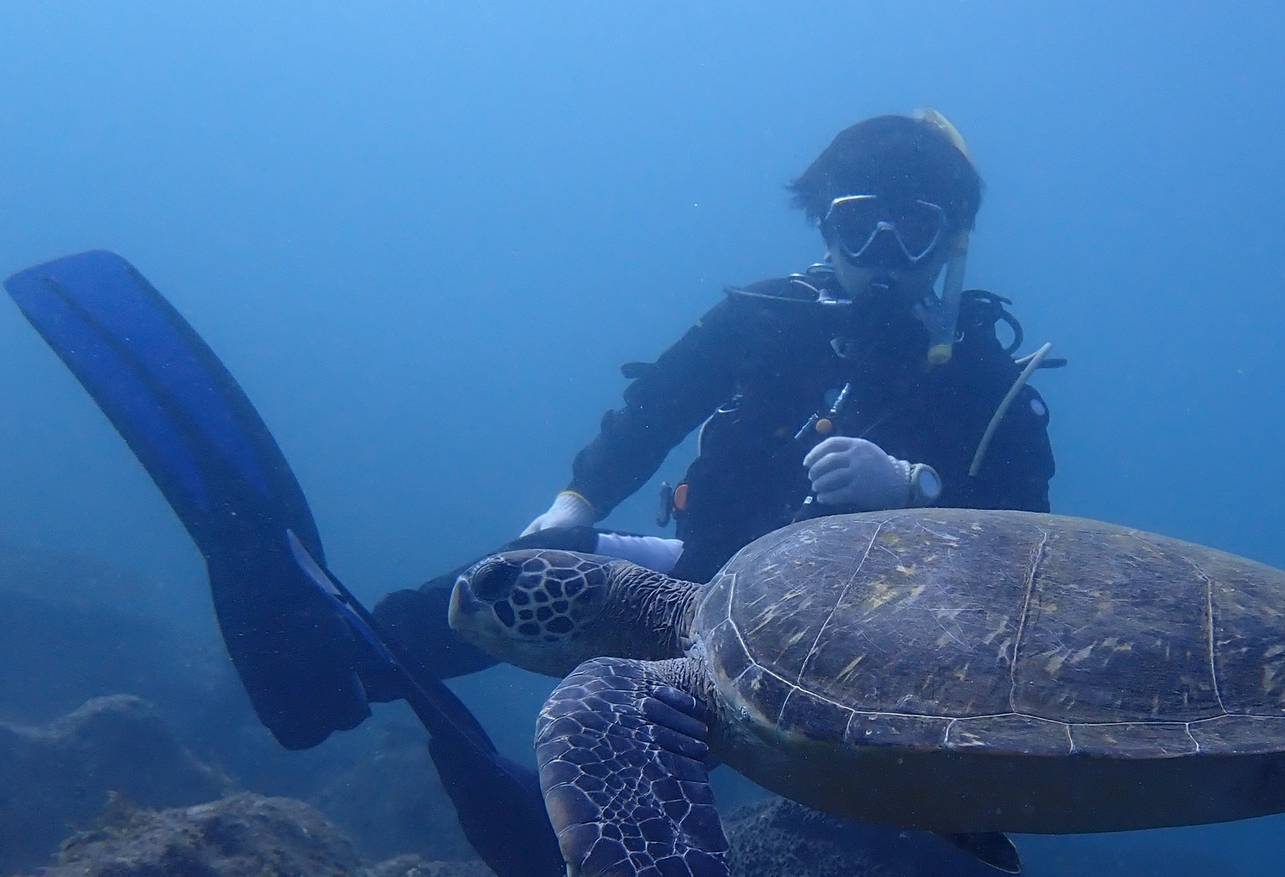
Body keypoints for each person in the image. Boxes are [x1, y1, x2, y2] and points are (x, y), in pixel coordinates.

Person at [372, 110, 1060, 676]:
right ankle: (360, 660)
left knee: (619, 714)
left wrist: (912, 491)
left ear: (948, 245)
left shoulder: (981, 379)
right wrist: (575, 502)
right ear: (825, 229)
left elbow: (1028, 554)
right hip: (694, 593)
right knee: (514, 580)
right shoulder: (764, 321)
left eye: (912, 232)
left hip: (887, 646)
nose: (884, 255)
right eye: (859, 228)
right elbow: (655, 410)